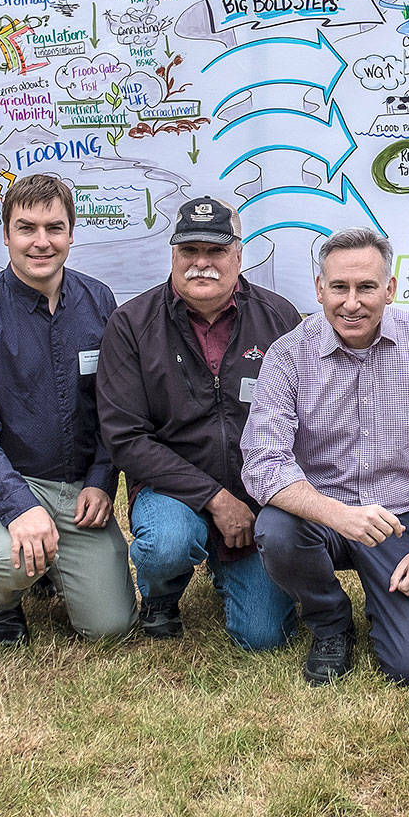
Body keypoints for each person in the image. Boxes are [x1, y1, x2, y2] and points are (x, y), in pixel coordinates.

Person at [240, 228, 409, 686]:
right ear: (319, 289)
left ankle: (384, 596)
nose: (352, 303)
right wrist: (339, 515)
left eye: (366, 287)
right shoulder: (289, 355)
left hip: (400, 520)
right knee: (276, 529)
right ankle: (330, 621)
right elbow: (263, 462)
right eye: (339, 287)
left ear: (390, 288)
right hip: (320, 516)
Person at [97, 197, 302, 648]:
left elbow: (303, 420)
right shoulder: (131, 324)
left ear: (239, 255)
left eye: (216, 251)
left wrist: (267, 502)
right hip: (168, 490)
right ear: (173, 254)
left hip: (256, 494)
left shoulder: (280, 318)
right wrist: (215, 499)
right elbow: (125, 438)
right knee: (167, 543)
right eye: (189, 250)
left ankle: (227, 563)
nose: (201, 263)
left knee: (265, 637)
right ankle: (161, 594)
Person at [0, 173, 135, 645]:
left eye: (54, 228)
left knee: (110, 628)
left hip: (76, 489)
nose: (41, 241)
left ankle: (49, 563)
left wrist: (101, 480)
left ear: (72, 233)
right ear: (6, 235)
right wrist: (19, 507)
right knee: (10, 559)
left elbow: (113, 406)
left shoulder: (99, 301)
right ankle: (1, 599)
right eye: (26, 228)